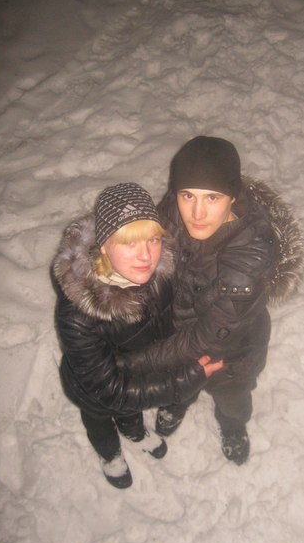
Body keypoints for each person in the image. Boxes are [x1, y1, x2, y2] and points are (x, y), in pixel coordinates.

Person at [122, 136, 304, 465]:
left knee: (232, 398)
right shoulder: (172, 211)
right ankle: (179, 402)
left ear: (232, 196)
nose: (197, 212)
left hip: (232, 353)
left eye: (212, 197)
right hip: (179, 331)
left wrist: (137, 361)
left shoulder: (251, 251)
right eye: (188, 195)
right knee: (181, 384)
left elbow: (206, 339)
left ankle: (233, 425)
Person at [52, 182, 222, 488]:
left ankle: (134, 431)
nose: (146, 256)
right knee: (100, 422)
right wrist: (181, 382)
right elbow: (111, 390)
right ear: (104, 246)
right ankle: (109, 453)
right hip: (96, 390)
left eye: (152, 239)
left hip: (137, 374)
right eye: (129, 243)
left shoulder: (160, 274)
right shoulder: (79, 316)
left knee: (130, 412)